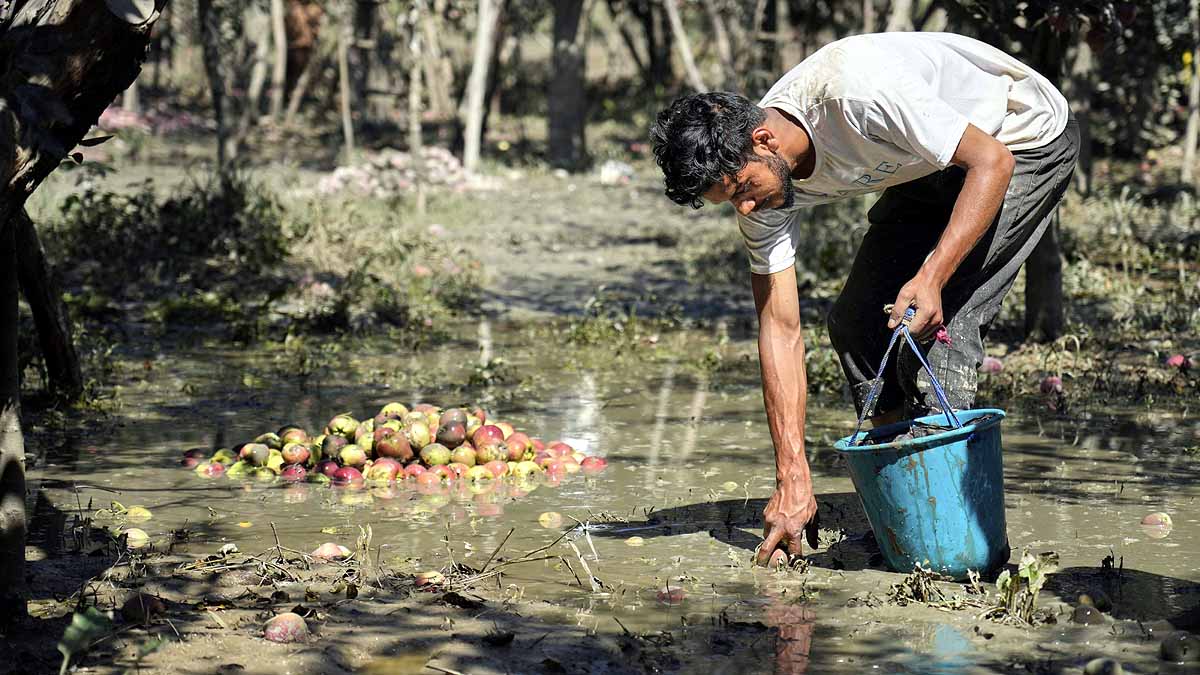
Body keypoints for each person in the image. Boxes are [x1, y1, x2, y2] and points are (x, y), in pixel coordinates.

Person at [649, 32, 1078, 565]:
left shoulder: (856, 94)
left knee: (938, 334)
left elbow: (990, 163)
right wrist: (792, 478)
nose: (745, 208)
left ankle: (957, 550)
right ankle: (901, 512)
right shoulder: (763, 189)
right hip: (929, 161)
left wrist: (933, 275)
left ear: (764, 140)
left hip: (1020, 139)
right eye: (729, 202)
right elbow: (780, 329)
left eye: (742, 189)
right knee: (857, 326)